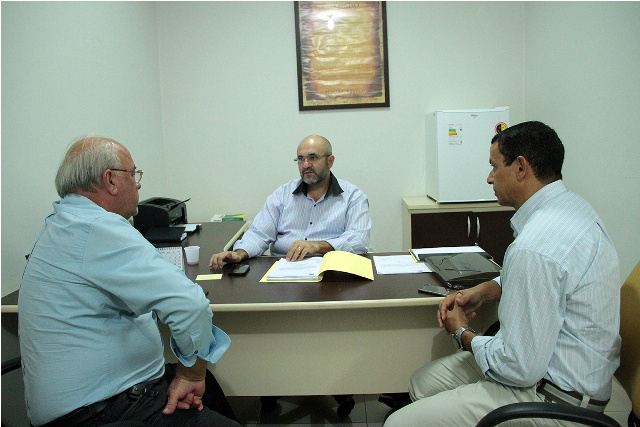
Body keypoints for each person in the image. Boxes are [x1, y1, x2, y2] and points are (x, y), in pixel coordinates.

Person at [384, 121, 621, 427]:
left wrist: (461, 333)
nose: (489, 177)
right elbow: (549, 279)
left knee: (396, 425)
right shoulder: (573, 208)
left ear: (521, 168)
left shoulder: (534, 246)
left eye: (495, 167)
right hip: (564, 374)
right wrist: (488, 289)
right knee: (422, 383)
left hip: (553, 399)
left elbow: (518, 366)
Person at [18, 136, 241, 427]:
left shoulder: (63, 222)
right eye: (133, 174)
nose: (138, 184)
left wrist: (194, 374)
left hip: (94, 401)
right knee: (200, 380)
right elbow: (189, 303)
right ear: (110, 180)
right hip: (101, 411)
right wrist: (190, 374)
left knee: (207, 386)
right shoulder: (96, 228)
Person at [209, 134, 371, 417]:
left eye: (313, 158)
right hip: (284, 279)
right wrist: (240, 253)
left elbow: (359, 240)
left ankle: (333, 374)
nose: (305, 164)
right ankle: (278, 373)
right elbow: (260, 233)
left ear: (330, 161)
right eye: (300, 158)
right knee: (275, 332)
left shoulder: (353, 196)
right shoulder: (283, 194)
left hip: (332, 283)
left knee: (327, 336)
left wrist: (318, 246)